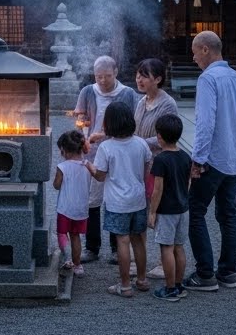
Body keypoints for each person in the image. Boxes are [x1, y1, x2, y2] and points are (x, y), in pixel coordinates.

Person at [184, 30, 236, 292]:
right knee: (227, 215)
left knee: (196, 212)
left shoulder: (208, 78)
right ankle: (228, 273)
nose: (194, 57)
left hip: (212, 158)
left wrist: (197, 158)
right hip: (234, 157)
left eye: (195, 52)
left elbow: (205, 123)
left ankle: (205, 273)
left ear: (206, 49)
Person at [73, 56, 139, 263]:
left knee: (115, 200)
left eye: (107, 76)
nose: (102, 80)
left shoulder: (127, 94)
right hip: (92, 152)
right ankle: (92, 247)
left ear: (116, 72)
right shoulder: (88, 91)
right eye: (98, 76)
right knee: (92, 200)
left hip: (119, 152)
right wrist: (83, 135)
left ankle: (115, 248)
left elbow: (132, 124)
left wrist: (105, 134)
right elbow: (80, 118)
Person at [89, 101, 153, 297]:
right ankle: (142, 279)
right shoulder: (141, 143)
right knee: (138, 241)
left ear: (109, 124)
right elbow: (147, 169)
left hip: (117, 202)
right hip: (138, 199)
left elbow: (100, 176)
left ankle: (125, 285)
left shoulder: (106, 147)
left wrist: (88, 166)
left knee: (122, 241)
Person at [133, 57, 180, 280]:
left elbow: (164, 136)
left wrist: (138, 142)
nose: (139, 79)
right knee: (141, 210)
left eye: (144, 75)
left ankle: (164, 262)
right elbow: (135, 129)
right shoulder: (142, 101)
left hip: (160, 163)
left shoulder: (167, 104)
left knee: (161, 212)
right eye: (138, 75)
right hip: (141, 162)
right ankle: (140, 259)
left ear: (158, 79)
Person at [147, 113, 191, 301]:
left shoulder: (161, 159)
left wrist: (152, 211)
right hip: (183, 208)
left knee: (166, 247)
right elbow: (188, 182)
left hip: (166, 210)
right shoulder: (185, 156)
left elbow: (158, 189)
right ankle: (179, 285)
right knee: (179, 247)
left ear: (159, 136)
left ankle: (170, 287)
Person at [53, 129, 92, 276]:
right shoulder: (87, 166)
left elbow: (56, 185)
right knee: (76, 236)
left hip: (65, 208)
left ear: (65, 151)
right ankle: (78, 265)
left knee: (62, 233)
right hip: (81, 209)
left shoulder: (62, 167)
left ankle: (67, 258)